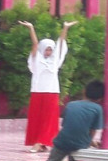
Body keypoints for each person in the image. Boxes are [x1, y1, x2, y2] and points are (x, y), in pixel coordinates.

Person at [39, 80, 104, 161]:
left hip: (63, 141)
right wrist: (90, 142)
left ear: (84, 91)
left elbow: (67, 125)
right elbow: (92, 131)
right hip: (81, 143)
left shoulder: (71, 105)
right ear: (100, 98)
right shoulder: (98, 109)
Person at [20, 19, 76, 151]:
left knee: (49, 119)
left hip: (51, 92)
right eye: (46, 50)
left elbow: (60, 43)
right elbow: (35, 44)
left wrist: (65, 28)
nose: (48, 52)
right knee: (36, 118)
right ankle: (39, 143)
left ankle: (41, 142)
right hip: (37, 92)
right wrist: (31, 28)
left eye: (50, 50)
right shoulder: (36, 59)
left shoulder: (55, 61)